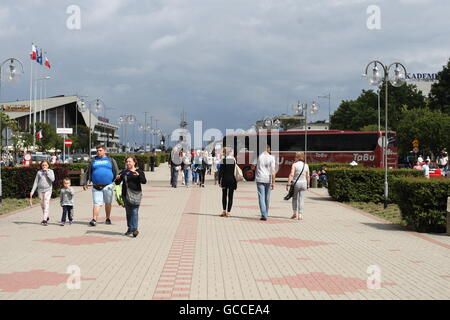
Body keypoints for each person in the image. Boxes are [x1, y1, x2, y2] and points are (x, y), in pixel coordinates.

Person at [83, 145, 119, 227]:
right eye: (97, 151)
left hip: (108, 185)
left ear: (105, 151)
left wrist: (117, 183)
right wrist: (85, 183)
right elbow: (87, 172)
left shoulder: (111, 160)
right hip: (96, 186)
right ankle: (94, 219)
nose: (98, 152)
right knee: (96, 203)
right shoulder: (93, 160)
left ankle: (107, 218)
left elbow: (116, 172)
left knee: (108, 203)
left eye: (100, 150)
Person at [115, 156, 147, 237]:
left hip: (136, 194)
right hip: (125, 195)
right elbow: (117, 183)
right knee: (128, 213)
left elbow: (144, 181)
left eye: (130, 161)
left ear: (134, 162)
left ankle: (135, 229)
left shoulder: (139, 171)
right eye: (127, 162)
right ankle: (130, 228)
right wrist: (117, 178)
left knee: (134, 212)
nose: (128, 163)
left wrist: (139, 175)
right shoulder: (124, 172)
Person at [30, 160, 55, 226]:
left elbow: (53, 179)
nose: (44, 166)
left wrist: (47, 173)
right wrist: (32, 191)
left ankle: (44, 220)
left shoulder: (50, 171)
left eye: (45, 165)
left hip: (48, 190)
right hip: (40, 190)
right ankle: (46, 216)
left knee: (46, 204)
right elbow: (36, 182)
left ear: (48, 165)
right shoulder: (39, 172)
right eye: (43, 165)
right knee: (42, 205)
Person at [286, 152, 310, 220]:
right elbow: (308, 176)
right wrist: (308, 185)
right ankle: (300, 215)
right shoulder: (306, 165)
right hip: (304, 183)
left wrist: (288, 183)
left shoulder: (294, 165)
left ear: (298, 157)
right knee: (301, 199)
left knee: (294, 198)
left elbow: (291, 174)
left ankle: (294, 213)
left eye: (295, 156)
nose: (294, 157)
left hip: (296, 183)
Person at [255, 144, 276, 221]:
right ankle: (265, 214)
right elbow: (273, 171)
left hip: (260, 178)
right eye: (269, 148)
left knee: (261, 197)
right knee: (267, 198)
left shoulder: (258, 157)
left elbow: (252, 167)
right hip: (268, 179)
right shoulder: (272, 157)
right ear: (267, 149)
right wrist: (273, 182)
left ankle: (264, 215)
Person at [218, 147, 237, 217]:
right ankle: (228, 212)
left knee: (224, 195)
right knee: (230, 196)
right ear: (230, 152)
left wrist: (219, 181)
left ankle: (224, 211)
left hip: (225, 180)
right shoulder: (234, 160)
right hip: (232, 179)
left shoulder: (223, 160)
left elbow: (220, 172)